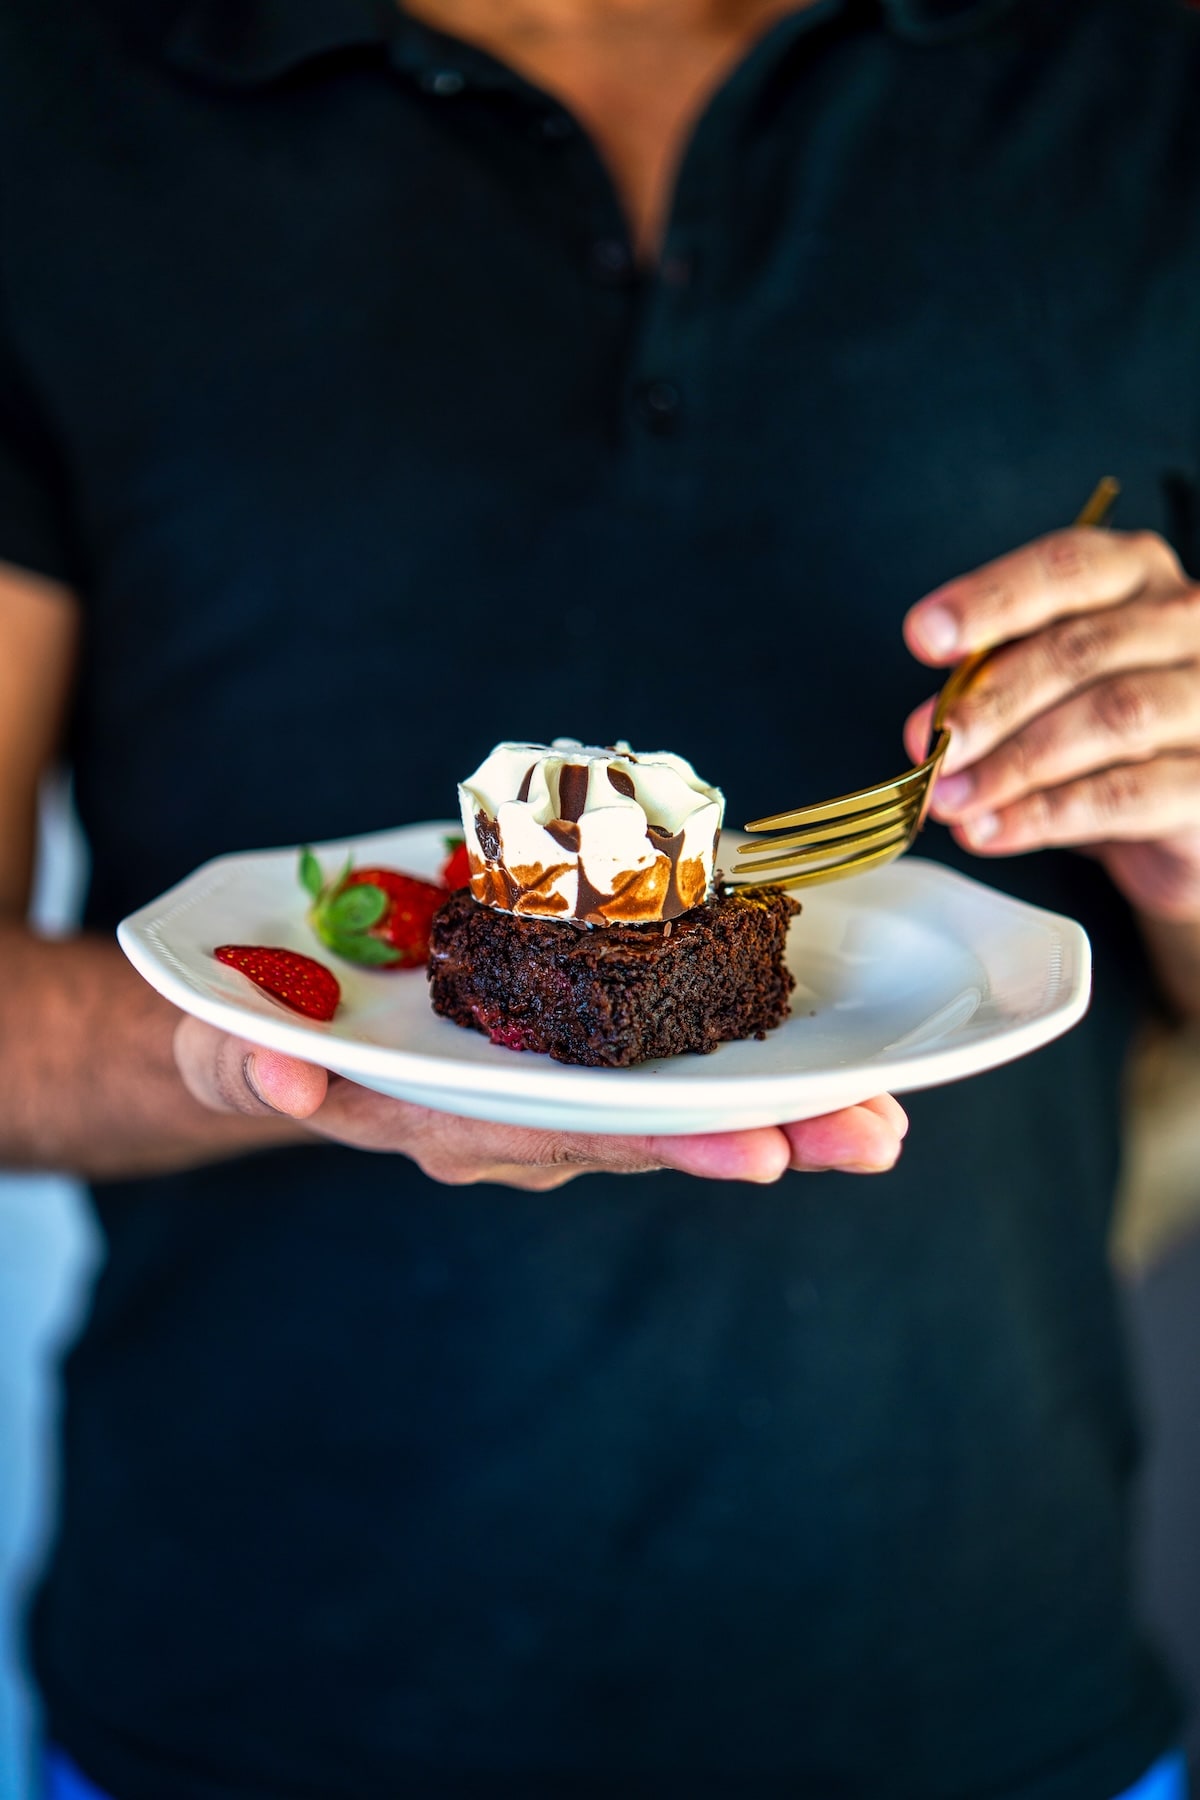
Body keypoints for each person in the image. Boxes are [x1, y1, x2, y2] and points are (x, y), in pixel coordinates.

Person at [1, 0, 1197, 1794]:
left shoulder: (1141, 89)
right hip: (241, 1695)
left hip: (979, 1692)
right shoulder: (55, 106)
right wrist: (275, 1042)